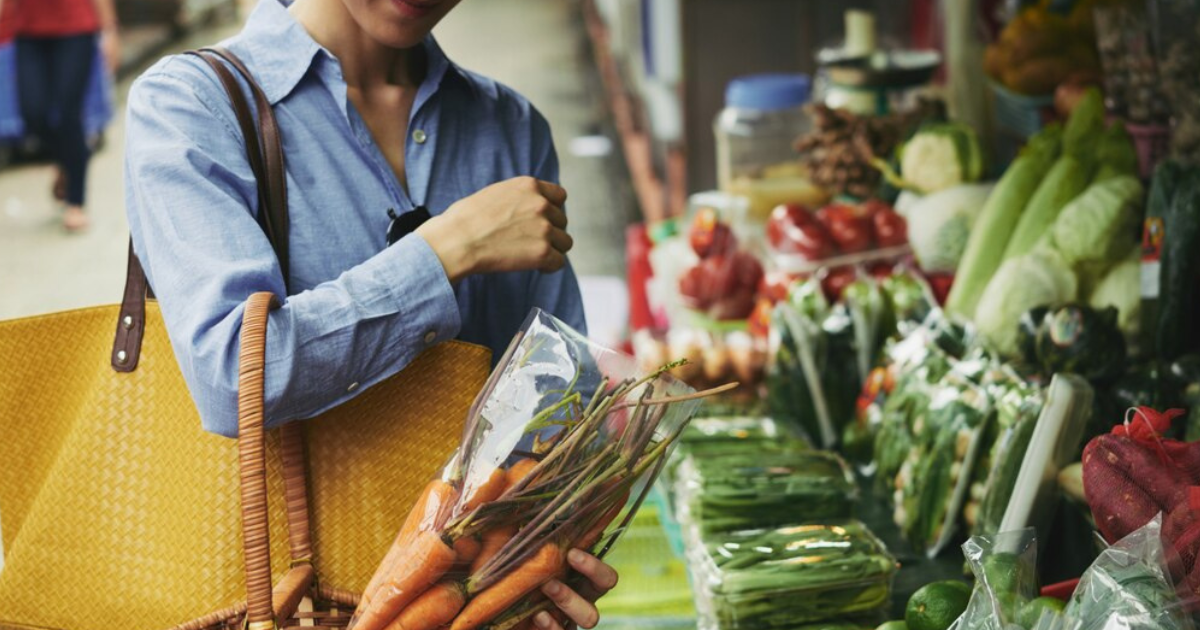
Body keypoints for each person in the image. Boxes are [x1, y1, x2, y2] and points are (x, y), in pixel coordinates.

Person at [124, 0, 608, 626]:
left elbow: (560, 399)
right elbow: (230, 378)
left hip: (471, 603)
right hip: (281, 604)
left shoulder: (508, 125)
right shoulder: (193, 106)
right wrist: (446, 250)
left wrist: (554, 542)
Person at [11, 0, 118, 232]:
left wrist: (109, 30)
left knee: (68, 113)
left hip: (76, 29)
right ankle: (71, 158)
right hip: (28, 32)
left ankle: (75, 202)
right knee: (32, 115)